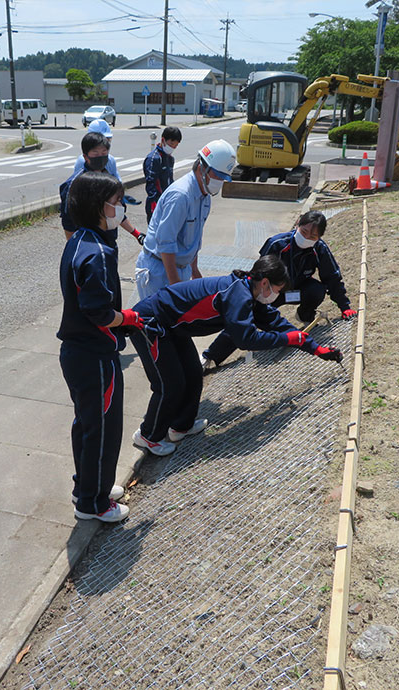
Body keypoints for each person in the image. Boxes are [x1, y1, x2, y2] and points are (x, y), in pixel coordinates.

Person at [128, 254, 342, 456]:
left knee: (193, 373)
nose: (278, 293)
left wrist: (316, 349)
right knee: (170, 384)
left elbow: (278, 324)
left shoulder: (250, 291)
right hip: (150, 323)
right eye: (279, 288)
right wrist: (289, 340)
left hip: (174, 327)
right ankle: (148, 436)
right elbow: (246, 339)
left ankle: (180, 425)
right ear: (265, 282)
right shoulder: (237, 295)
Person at [58, 170, 149, 523]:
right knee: (103, 428)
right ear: (99, 207)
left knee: (87, 424)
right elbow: (98, 313)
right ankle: (93, 504)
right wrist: (128, 318)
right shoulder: (97, 252)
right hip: (95, 353)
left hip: (78, 352)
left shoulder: (79, 240)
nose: (121, 208)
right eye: (116, 202)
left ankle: (90, 485)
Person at [201, 210, 357, 368]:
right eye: (304, 232)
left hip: (296, 291)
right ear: (297, 224)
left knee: (316, 290)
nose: (307, 238)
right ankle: (211, 356)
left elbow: (332, 278)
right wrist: (260, 297)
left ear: (319, 237)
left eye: (313, 236)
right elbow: (259, 273)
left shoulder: (319, 249)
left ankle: (305, 315)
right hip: (272, 292)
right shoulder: (277, 243)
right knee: (247, 316)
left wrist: (345, 307)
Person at [134, 139, 235, 301]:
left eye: (224, 178)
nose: (219, 182)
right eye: (217, 175)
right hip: (160, 269)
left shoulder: (205, 195)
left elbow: (193, 238)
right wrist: (176, 288)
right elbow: (165, 243)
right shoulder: (181, 196)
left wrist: (194, 271)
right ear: (202, 168)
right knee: (156, 322)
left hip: (181, 268)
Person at [60, 131, 144, 244]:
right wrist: (73, 248)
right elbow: (68, 222)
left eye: (104, 152)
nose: (101, 157)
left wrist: (136, 234)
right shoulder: (75, 184)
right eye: (95, 153)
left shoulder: (109, 179)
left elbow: (117, 213)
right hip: (88, 243)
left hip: (109, 240)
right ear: (85, 157)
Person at [142, 126, 182, 223]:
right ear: (163, 140)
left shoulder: (170, 159)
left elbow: (170, 181)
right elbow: (150, 183)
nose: (172, 147)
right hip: (156, 203)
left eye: (175, 146)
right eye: (171, 144)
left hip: (168, 202)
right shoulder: (154, 158)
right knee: (156, 235)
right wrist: (154, 203)